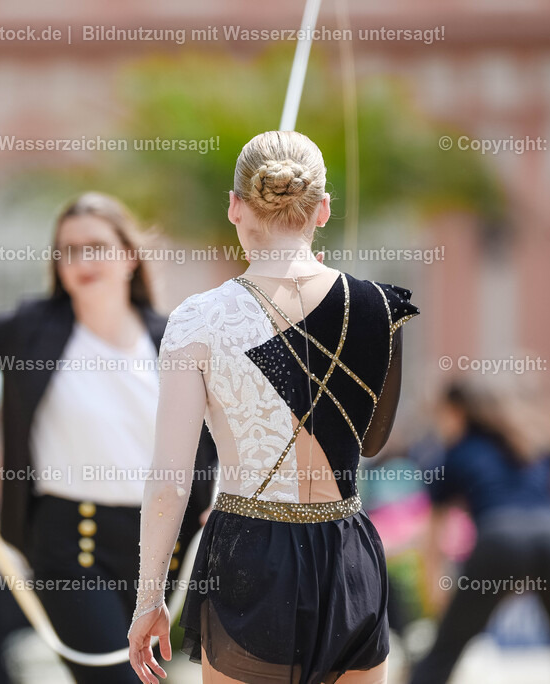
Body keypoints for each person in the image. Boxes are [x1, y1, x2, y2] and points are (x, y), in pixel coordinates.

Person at [127, 130, 419, 684]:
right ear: (324, 209)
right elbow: (372, 443)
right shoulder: (380, 306)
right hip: (348, 551)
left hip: (250, 550)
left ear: (236, 206)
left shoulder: (198, 320)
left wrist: (150, 599)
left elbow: (171, 479)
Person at [0, 192, 218, 683]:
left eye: (96, 246)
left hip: (163, 549)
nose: (82, 260)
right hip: (71, 546)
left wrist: (223, 498)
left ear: (129, 256)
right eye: (69, 250)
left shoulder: (173, 337)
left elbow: (217, 435)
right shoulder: (31, 329)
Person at [409, 378, 550, 684]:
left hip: (498, 541)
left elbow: (433, 537)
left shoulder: (458, 451)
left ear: (458, 413)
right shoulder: (532, 440)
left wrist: (437, 591)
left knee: (440, 660)